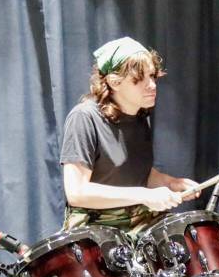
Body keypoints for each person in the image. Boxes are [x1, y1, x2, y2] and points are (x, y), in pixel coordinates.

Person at [60, 36, 200, 232]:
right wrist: (145, 195)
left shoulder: (139, 116)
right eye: (140, 79)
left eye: (152, 76)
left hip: (138, 219)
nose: (152, 85)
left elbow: (136, 174)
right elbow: (77, 192)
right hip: (96, 230)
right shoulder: (84, 117)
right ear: (114, 82)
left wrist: (171, 183)